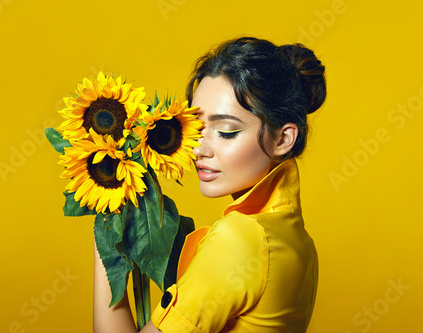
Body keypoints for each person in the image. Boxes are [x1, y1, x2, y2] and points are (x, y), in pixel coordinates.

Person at [93, 36, 326, 333]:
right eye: (198, 128)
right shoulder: (295, 238)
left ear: (283, 139)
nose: (199, 148)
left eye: (227, 131)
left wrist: (106, 239)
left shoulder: (242, 240)